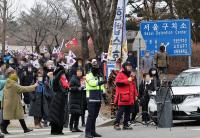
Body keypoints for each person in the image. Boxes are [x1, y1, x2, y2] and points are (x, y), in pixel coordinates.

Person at [1, 67, 38, 134]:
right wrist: (34, 86)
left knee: (17, 116)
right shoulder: (13, 84)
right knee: (9, 118)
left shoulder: (8, 83)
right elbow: (23, 89)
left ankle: (25, 129)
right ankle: (3, 129)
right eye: (14, 73)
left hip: (9, 103)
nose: (15, 74)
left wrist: (2, 104)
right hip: (13, 103)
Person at [85, 59, 108, 138]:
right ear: (92, 66)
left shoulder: (99, 74)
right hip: (91, 96)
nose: (96, 67)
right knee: (91, 115)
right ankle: (87, 132)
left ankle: (93, 131)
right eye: (95, 66)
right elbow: (91, 83)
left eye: (97, 66)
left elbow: (101, 86)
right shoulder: (89, 74)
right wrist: (100, 82)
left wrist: (104, 95)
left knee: (95, 115)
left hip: (98, 96)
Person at [114, 61, 138, 130]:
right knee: (120, 111)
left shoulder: (131, 75)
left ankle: (125, 124)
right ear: (124, 67)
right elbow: (117, 83)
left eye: (130, 67)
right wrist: (127, 80)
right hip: (123, 96)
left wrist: (136, 95)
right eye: (128, 67)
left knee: (128, 111)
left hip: (130, 96)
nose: (129, 68)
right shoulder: (120, 74)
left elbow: (134, 86)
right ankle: (116, 124)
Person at [48, 65, 70, 135]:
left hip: (63, 100)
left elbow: (68, 77)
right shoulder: (56, 81)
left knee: (61, 116)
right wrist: (60, 71)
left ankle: (60, 130)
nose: (64, 75)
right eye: (62, 74)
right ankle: (54, 130)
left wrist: (63, 70)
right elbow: (55, 80)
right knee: (55, 116)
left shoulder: (64, 81)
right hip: (56, 100)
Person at [69, 67, 85, 132]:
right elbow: (69, 88)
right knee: (73, 114)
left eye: (80, 71)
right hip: (73, 98)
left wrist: (83, 87)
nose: (79, 72)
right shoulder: (73, 79)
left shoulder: (80, 79)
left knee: (78, 113)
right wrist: (77, 88)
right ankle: (71, 127)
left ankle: (76, 127)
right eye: (78, 71)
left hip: (79, 98)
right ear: (76, 72)